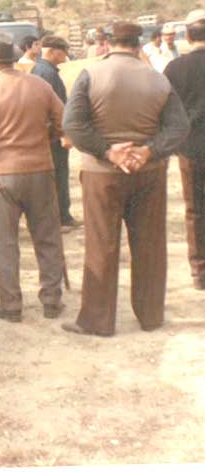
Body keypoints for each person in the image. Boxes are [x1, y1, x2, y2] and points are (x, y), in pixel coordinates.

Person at [61, 22, 189, 337]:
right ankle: (150, 316)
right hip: (149, 173)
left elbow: (73, 125)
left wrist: (108, 151)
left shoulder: (91, 75)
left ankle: (97, 320)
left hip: (102, 174)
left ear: (107, 43)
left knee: (101, 245)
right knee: (149, 244)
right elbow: (178, 127)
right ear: (139, 44)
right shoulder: (157, 79)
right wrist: (148, 151)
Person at [0, 33, 66, 322]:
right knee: (47, 238)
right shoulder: (40, 85)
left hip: (3, 175)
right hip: (40, 170)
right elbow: (64, 122)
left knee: (4, 243)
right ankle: (51, 300)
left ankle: (10, 304)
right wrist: (46, 135)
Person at [164, 9, 205, 289]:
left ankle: (200, 271)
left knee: (195, 210)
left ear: (187, 36)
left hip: (190, 149)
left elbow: (165, 110)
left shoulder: (175, 68)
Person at [31, 35, 79, 230]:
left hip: (45, 133)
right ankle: (61, 218)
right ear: (53, 51)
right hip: (53, 134)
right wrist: (63, 133)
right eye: (64, 51)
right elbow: (56, 108)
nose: (66, 55)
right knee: (58, 175)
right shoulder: (48, 73)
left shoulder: (39, 70)